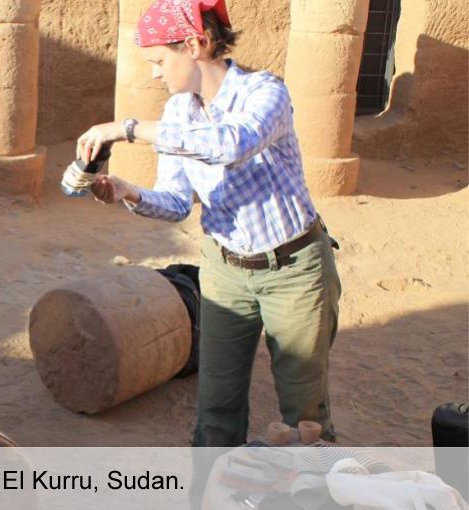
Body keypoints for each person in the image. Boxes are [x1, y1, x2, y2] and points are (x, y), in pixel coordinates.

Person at [77, 0, 341, 448]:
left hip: (295, 270)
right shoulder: (181, 112)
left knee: (304, 415)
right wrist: (128, 192)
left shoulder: (266, 92)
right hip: (224, 272)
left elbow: (229, 144)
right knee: (216, 410)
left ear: (196, 44)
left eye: (160, 60)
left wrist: (128, 129)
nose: (156, 74)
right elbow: (178, 202)